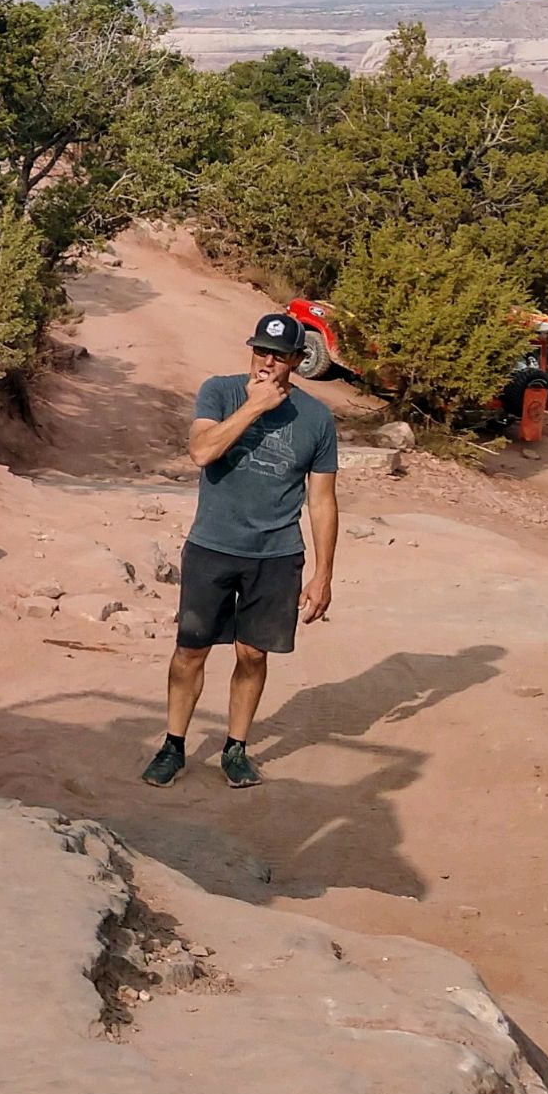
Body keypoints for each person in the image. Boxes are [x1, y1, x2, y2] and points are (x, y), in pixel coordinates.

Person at [142, 310, 340, 790]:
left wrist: (323, 574)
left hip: (276, 553)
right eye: (260, 351)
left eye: (278, 355)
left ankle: (236, 748)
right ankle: (173, 745)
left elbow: (322, 499)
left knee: (253, 653)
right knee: (191, 650)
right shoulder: (221, 391)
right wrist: (254, 408)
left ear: (296, 359)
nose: (266, 362)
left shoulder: (317, 418)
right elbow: (202, 452)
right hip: (213, 544)